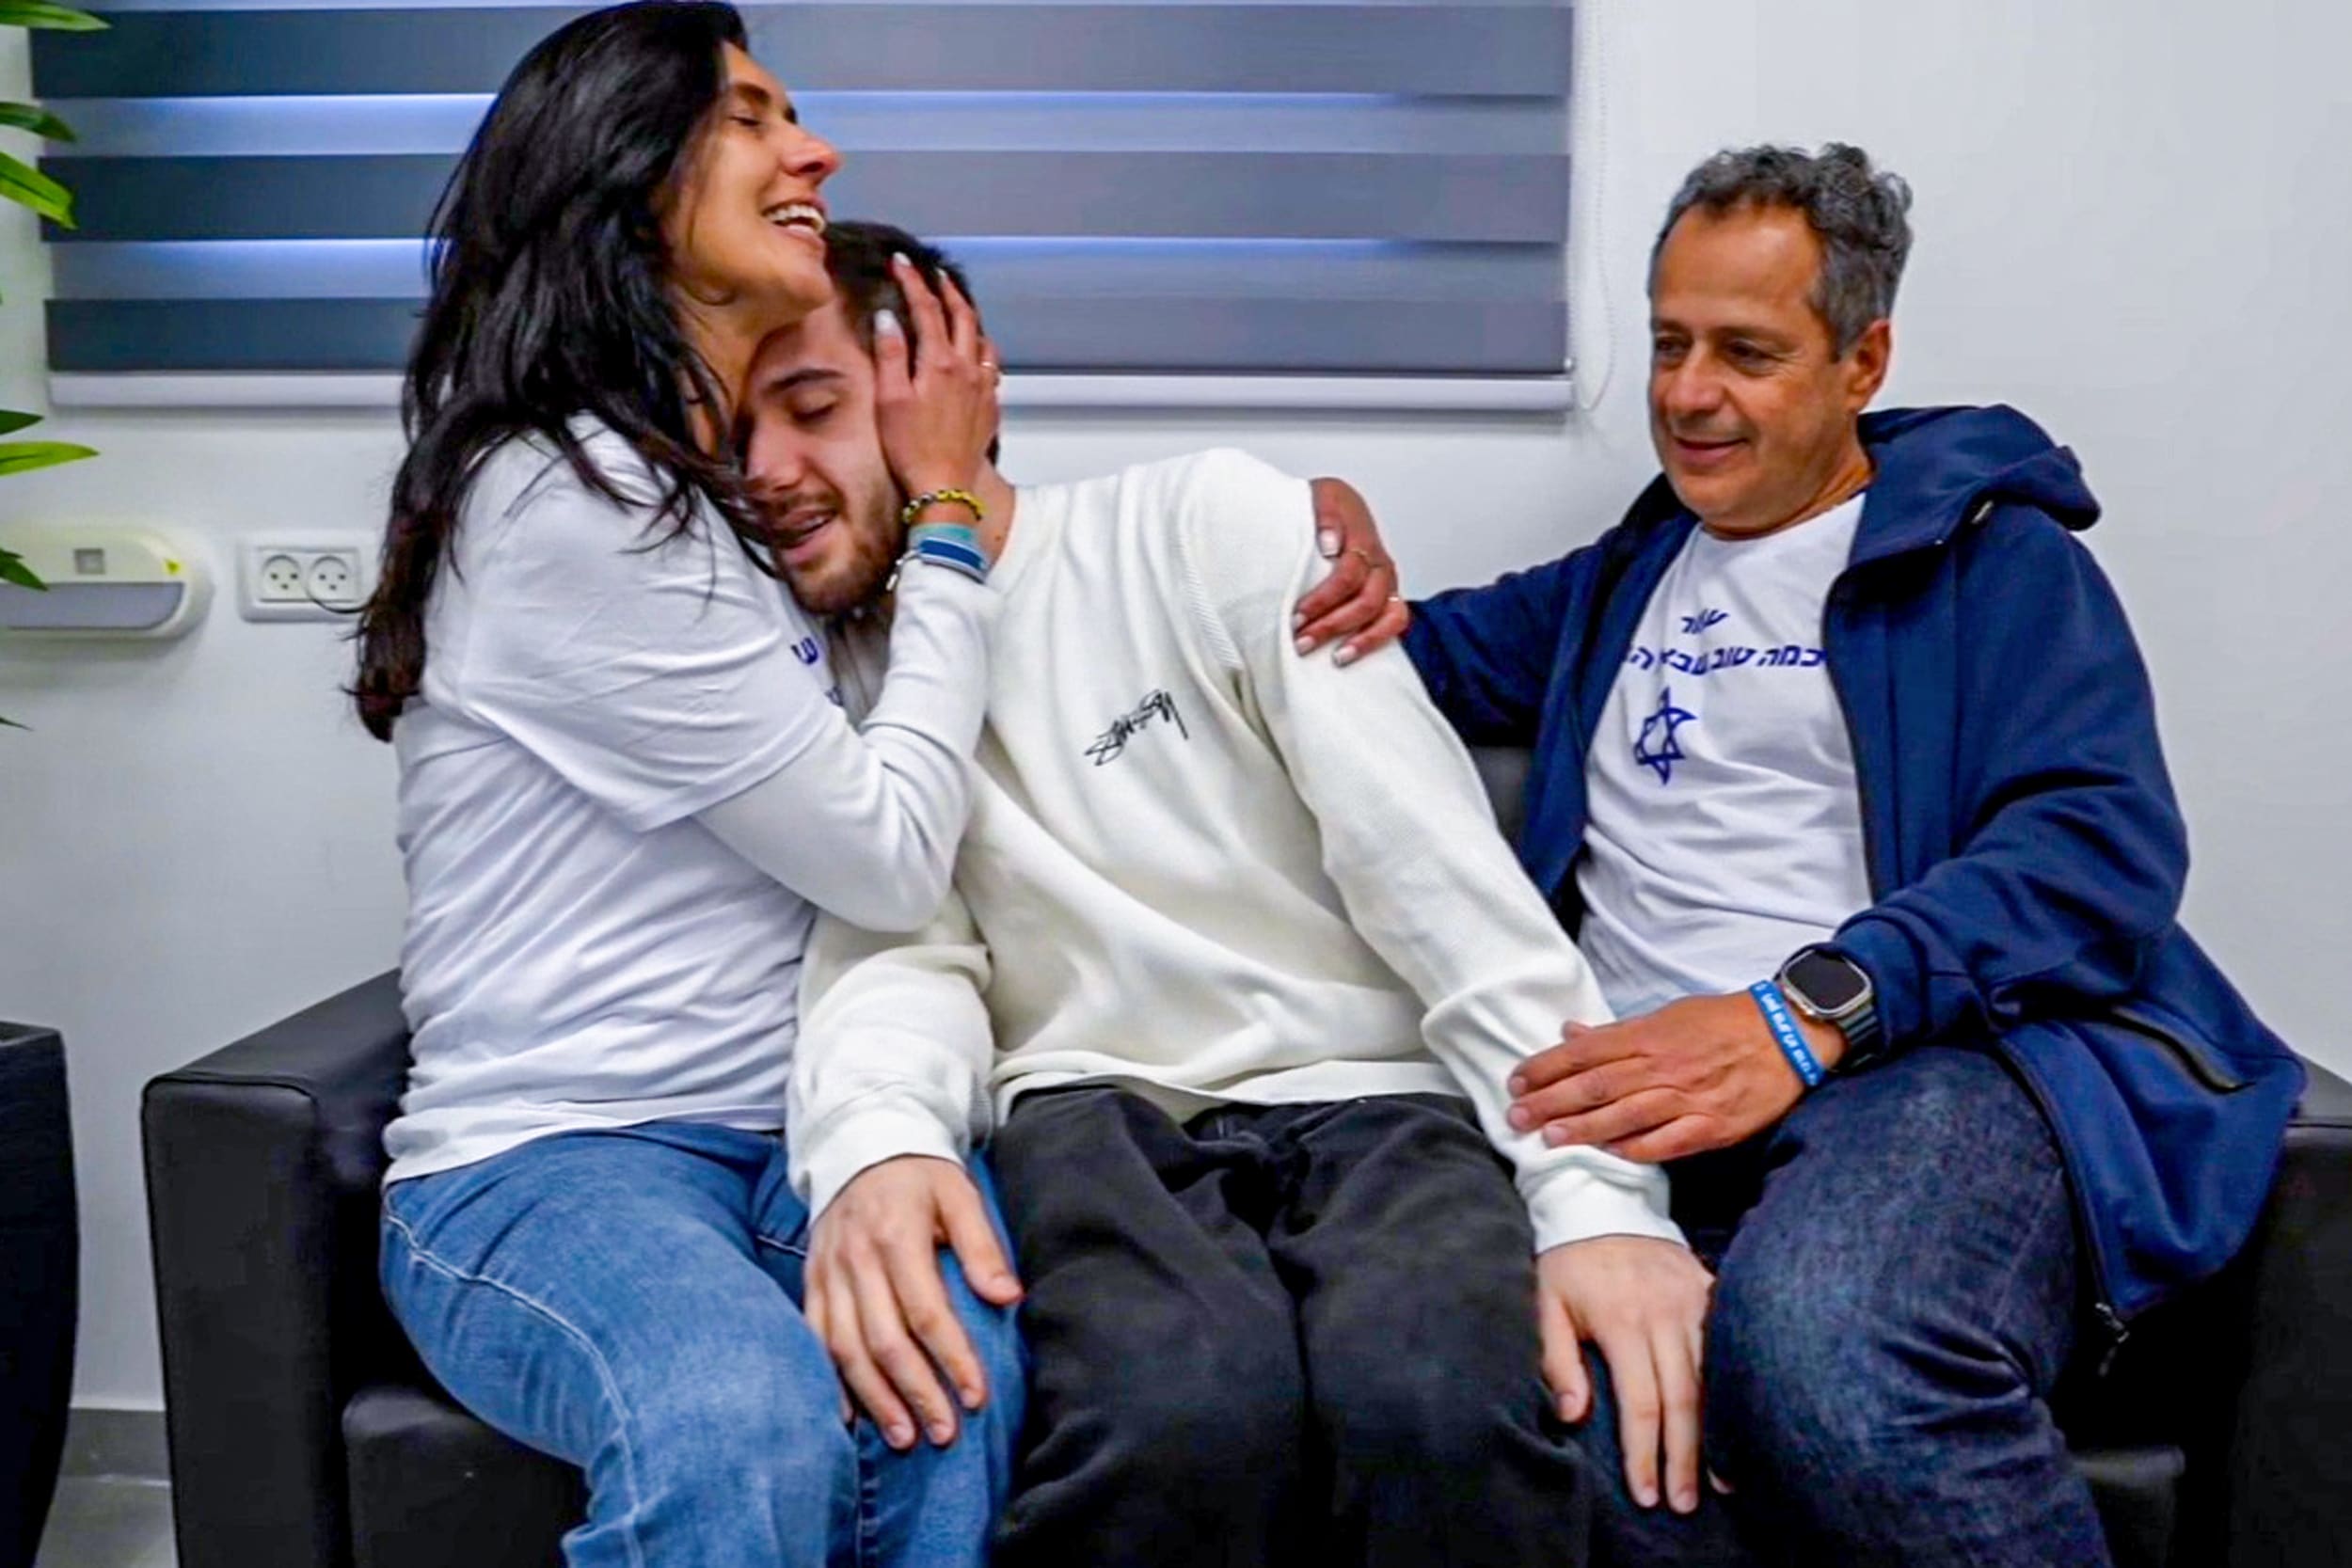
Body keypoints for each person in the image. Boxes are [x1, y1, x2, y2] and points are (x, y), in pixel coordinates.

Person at [746, 220, 1714, 1568]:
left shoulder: (1206, 525)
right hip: (1095, 1113)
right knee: (1177, 1422)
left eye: (812, 410)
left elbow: (1444, 888)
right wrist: (877, 1143)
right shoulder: (847, 684)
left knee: (1435, 1405)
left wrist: (1599, 1203)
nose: (766, 475)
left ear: (951, 387)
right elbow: (900, 951)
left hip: (1380, 1097)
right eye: (735, 434)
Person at [1388, 143, 2304, 1565]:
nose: (1689, 395)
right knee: (1555, 1423)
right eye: (1671, 344)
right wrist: (1297, 542)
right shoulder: (1625, 578)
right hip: (1640, 1109)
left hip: (1927, 1070)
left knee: (1826, 1346)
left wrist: (1806, 1014)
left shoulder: (1991, 561)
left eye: (1747, 352)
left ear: (1862, 359)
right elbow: (1379, 657)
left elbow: (2097, 845)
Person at [348, 8, 1023, 1564]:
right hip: (552, 1163)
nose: (816, 152)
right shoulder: (568, 496)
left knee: (949, 1384)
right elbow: (888, 857)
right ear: (629, 173)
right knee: (740, 1417)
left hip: (788, 1137)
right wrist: (944, 518)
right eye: (755, 117)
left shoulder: (722, 507)